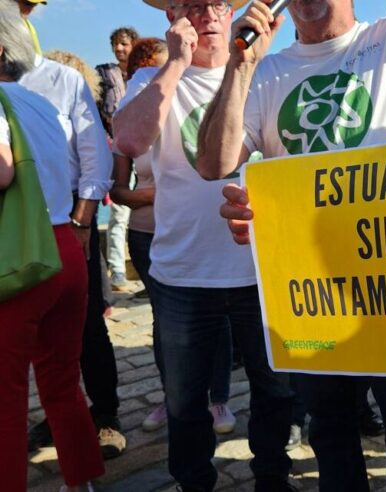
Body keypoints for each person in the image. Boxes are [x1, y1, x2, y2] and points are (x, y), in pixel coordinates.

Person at [198, 0, 386, 489]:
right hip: (311, 295)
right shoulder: (264, 71)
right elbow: (214, 163)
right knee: (331, 431)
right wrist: (238, 66)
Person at [113, 1, 295, 490]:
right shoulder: (152, 81)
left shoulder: (268, 73)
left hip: (261, 270)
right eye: (193, 4)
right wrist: (173, 63)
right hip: (182, 274)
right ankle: (194, 482)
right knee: (184, 401)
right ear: (172, 13)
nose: (209, 13)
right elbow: (129, 141)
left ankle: (272, 478)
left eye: (218, 3)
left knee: (276, 393)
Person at [14, 0, 125, 460]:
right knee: (33, 341)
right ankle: (57, 415)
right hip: (15, 234)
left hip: (67, 226)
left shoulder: (62, 81)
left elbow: (93, 154)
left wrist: (83, 220)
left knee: (86, 330)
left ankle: (104, 417)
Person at [110, 36, 238, 436]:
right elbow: (120, 179)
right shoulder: (146, 93)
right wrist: (157, 193)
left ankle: (219, 400)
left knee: (221, 329)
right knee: (169, 330)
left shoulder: (236, 77)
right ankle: (175, 400)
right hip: (155, 238)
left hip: (222, 237)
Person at [0, 5, 104, 492]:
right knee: (62, 379)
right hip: (63, 246)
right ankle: (81, 479)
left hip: (17, 257)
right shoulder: (40, 102)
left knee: (6, 394)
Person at [97, 26, 139, 291]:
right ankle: (118, 271)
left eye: (124, 44)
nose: (120, 49)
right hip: (118, 151)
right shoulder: (104, 75)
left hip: (145, 150)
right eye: (116, 44)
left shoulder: (144, 73)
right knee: (119, 213)